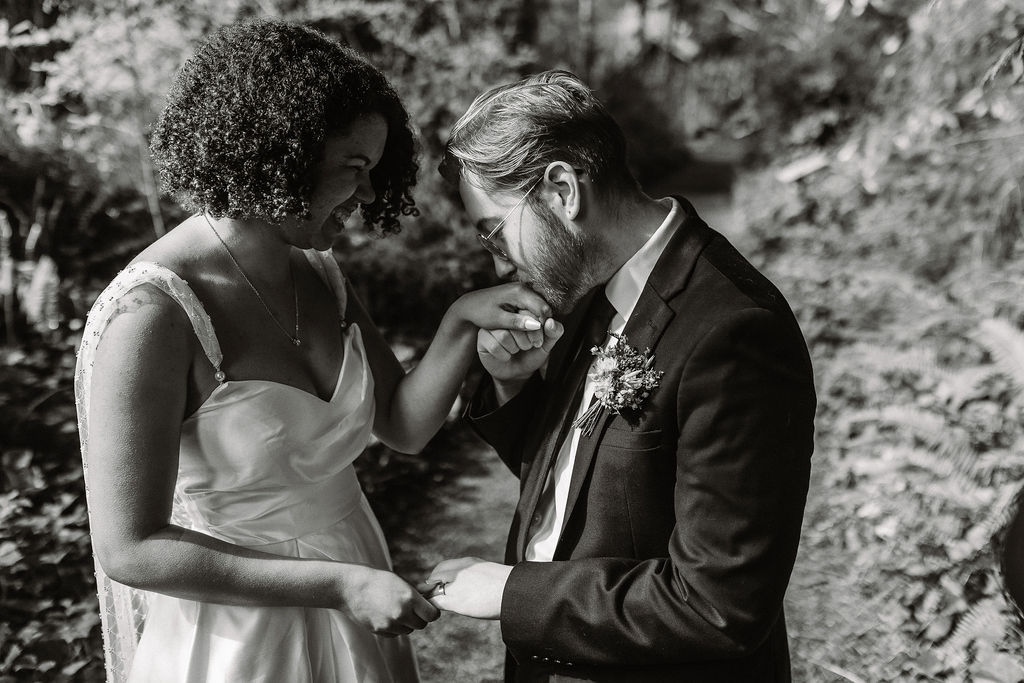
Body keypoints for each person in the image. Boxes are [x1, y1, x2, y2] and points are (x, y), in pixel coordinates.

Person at [74, 20, 552, 683]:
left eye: (375, 172)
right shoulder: (154, 315)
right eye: (354, 168)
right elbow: (130, 548)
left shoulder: (320, 273)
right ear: (281, 151)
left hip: (359, 579)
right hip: (242, 634)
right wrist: (340, 585)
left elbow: (405, 427)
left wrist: (461, 323)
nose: (368, 194)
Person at [421, 70, 818, 682]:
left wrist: (510, 596)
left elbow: (718, 606)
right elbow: (586, 482)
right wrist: (513, 387)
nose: (496, 262)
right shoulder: (592, 284)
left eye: (496, 232)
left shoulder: (734, 332)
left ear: (561, 189)